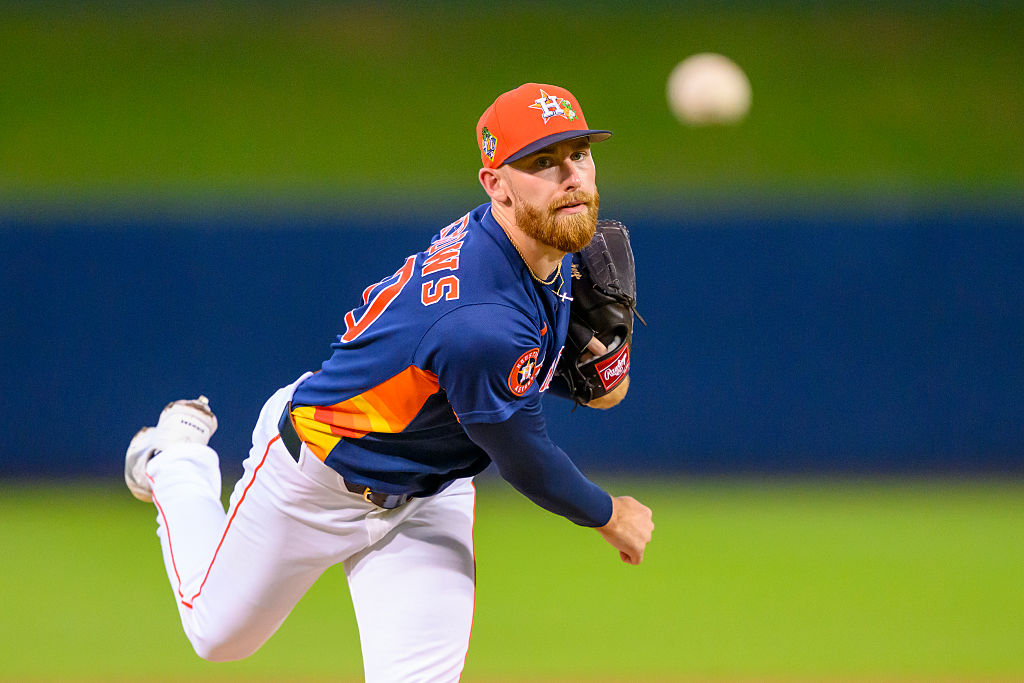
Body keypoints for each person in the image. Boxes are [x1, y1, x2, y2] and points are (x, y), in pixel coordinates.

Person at [124, 82, 654, 682]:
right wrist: (610, 514)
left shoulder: (525, 249)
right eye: (541, 161)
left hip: (428, 495)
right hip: (317, 474)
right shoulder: (479, 321)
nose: (570, 176)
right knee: (217, 638)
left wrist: (592, 360)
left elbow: (511, 363)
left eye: (578, 153)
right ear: (496, 185)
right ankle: (178, 460)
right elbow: (527, 460)